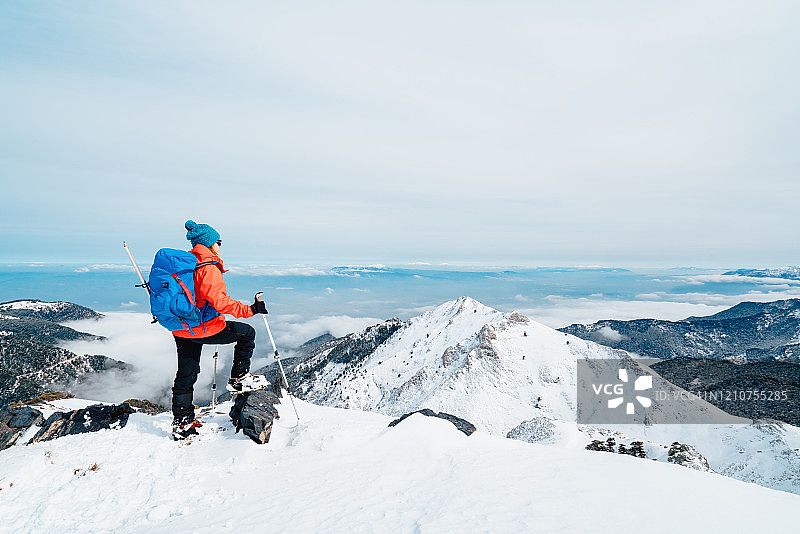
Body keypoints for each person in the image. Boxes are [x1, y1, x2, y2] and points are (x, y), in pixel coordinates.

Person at [171, 219, 268, 439]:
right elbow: (220, 302)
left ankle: (181, 422)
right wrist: (251, 309)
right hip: (203, 327)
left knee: (185, 374)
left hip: (181, 327)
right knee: (247, 333)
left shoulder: (184, 265)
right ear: (210, 243)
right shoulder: (208, 267)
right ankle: (239, 377)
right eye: (219, 241)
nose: (220, 246)